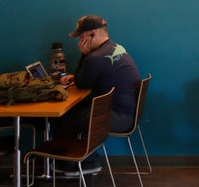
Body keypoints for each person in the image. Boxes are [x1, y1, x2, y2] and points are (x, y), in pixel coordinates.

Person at [54, 15, 142, 174]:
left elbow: (82, 83)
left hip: (117, 117)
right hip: (128, 113)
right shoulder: (114, 48)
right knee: (76, 111)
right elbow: (98, 74)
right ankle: (83, 160)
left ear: (92, 34)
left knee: (65, 117)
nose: (80, 41)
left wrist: (84, 54)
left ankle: (75, 164)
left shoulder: (95, 58)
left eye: (81, 37)